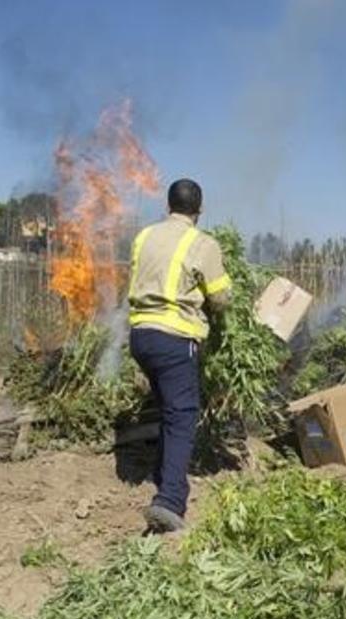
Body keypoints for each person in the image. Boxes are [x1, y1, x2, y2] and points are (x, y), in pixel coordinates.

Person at [127, 178, 231, 534]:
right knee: (182, 416)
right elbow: (219, 297)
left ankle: (161, 474)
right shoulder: (202, 243)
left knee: (167, 409)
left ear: (167, 206)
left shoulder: (144, 236)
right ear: (199, 211)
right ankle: (170, 501)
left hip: (140, 336)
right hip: (174, 338)